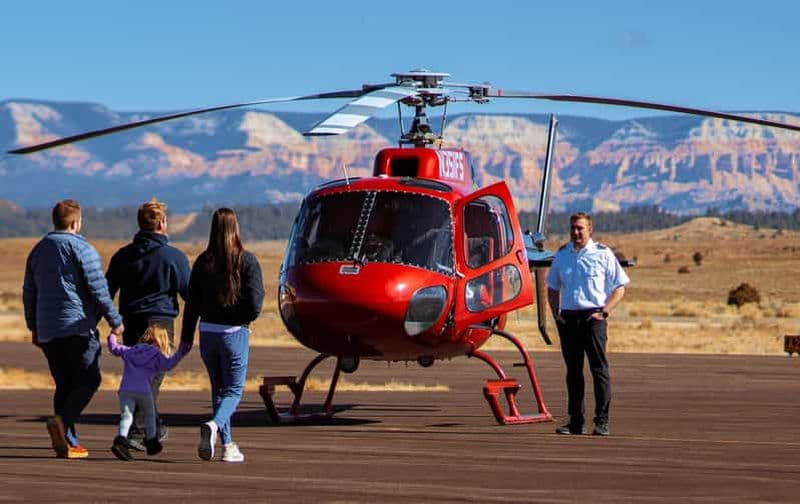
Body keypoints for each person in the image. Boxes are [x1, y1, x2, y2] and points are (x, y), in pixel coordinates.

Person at [23, 199, 124, 458]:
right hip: (77, 327)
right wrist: (115, 321)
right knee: (90, 379)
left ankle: (67, 443)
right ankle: (63, 423)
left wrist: (33, 326)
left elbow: (29, 292)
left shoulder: (37, 250)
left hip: (48, 331)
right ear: (76, 222)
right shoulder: (82, 249)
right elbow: (99, 290)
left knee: (65, 384)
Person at [105, 197, 190, 447]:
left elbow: (106, 291)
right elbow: (189, 293)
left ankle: (147, 427)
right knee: (152, 376)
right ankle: (137, 431)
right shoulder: (174, 257)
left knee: (139, 375)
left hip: (131, 322)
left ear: (140, 224)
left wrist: (111, 322)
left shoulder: (123, 256)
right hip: (161, 323)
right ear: (162, 223)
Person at [181, 208, 264, 463]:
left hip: (207, 333)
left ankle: (227, 445)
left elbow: (191, 303)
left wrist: (186, 338)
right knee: (234, 390)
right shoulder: (246, 260)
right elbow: (255, 301)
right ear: (235, 228)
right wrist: (244, 318)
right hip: (234, 333)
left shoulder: (203, 261)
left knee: (219, 389)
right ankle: (215, 425)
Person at [546, 212, 630, 436]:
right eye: (573, 228)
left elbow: (620, 287)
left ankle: (601, 421)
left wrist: (604, 312)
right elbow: (552, 287)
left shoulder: (603, 254)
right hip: (569, 320)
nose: (575, 232)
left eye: (580, 228)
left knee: (599, 370)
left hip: (594, 319)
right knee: (573, 373)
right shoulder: (562, 255)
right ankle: (576, 421)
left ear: (590, 229)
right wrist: (556, 315)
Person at [107, 323, 191, 461]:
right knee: (150, 415)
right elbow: (169, 364)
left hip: (125, 390)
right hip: (144, 391)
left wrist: (113, 334)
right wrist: (182, 351)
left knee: (126, 416)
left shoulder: (131, 350)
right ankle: (152, 442)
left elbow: (114, 348)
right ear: (161, 341)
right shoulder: (156, 355)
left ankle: (121, 440)